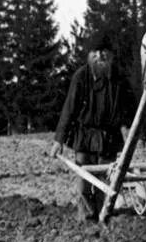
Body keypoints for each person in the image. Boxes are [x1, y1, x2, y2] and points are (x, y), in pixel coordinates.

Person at [49, 33, 136, 222]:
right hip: (85, 136)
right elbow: (69, 109)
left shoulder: (119, 79)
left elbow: (128, 110)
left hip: (109, 138)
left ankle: (102, 215)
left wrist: (130, 132)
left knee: (105, 182)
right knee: (84, 182)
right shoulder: (81, 77)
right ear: (90, 55)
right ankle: (87, 218)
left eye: (104, 52)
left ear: (111, 55)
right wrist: (59, 140)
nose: (100, 56)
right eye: (96, 52)